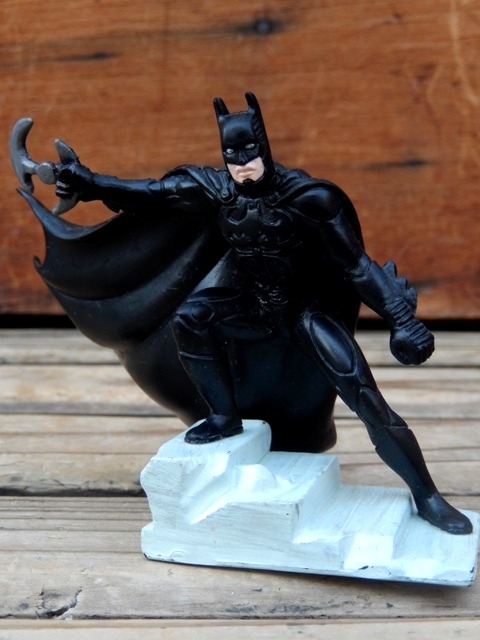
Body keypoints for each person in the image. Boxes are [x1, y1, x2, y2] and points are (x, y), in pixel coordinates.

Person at [54, 92, 471, 535]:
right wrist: (90, 183)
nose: (242, 164)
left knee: (366, 398)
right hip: (253, 307)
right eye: (232, 154)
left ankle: (427, 495)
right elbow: (152, 194)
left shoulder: (307, 198)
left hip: (305, 314)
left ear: (264, 146)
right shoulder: (217, 191)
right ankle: (224, 415)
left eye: (249, 151)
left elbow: (356, 266)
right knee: (192, 317)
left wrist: (402, 320)